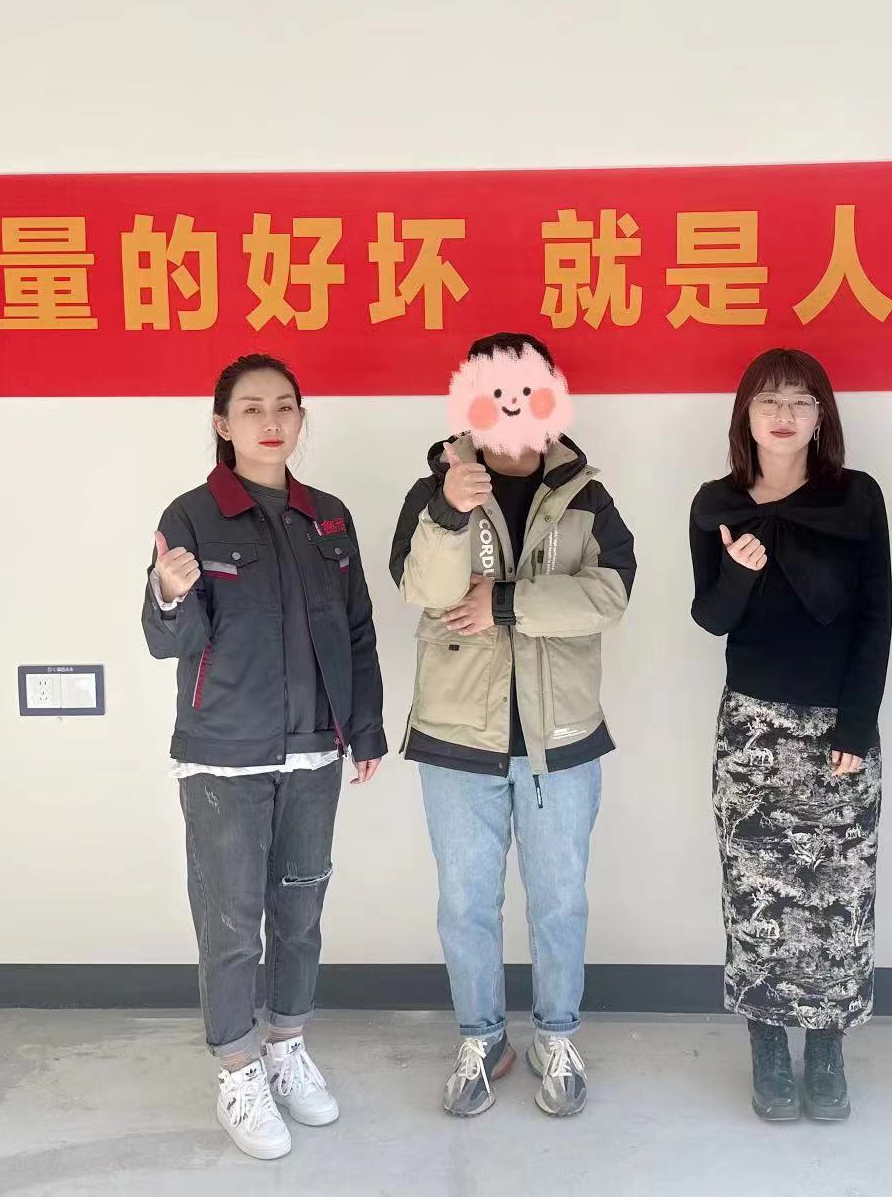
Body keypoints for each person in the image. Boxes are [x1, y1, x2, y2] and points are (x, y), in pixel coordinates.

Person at [142, 353, 387, 1161]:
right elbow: (167, 641)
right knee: (230, 922)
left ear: (301, 418)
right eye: (250, 408)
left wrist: (364, 728)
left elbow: (356, 629)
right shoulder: (191, 516)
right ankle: (237, 1070)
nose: (270, 421)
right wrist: (168, 593)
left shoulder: (329, 518)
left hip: (315, 746)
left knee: (300, 915)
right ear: (222, 424)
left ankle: (286, 1047)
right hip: (224, 756)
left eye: (284, 406)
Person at [388, 331, 636, 1120]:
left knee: (559, 900)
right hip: (457, 734)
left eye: (527, 387)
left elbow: (611, 595)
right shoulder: (434, 490)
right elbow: (423, 591)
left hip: (562, 736)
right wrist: (448, 511)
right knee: (465, 902)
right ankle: (482, 1037)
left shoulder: (586, 494)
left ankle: (555, 1035)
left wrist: (504, 603)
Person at [687, 348, 892, 1124]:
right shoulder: (714, 503)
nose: (784, 414)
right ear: (745, 413)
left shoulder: (855, 497)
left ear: (820, 417)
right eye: (769, 399)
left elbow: (876, 617)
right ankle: (768, 1045)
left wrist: (857, 725)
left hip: (838, 725)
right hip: (751, 729)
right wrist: (739, 572)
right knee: (756, 897)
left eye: (801, 401)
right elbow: (710, 617)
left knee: (838, 897)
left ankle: (828, 1048)